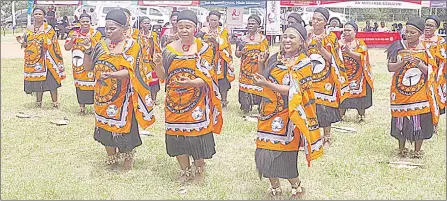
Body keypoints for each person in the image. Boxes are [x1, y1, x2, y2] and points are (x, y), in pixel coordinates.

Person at [253, 23, 322, 199]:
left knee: (285, 155)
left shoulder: (305, 62)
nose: (287, 40)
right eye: (285, 36)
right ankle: (274, 187)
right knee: (264, 151)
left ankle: (296, 186)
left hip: (290, 115)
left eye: (292, 37)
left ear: (301, 42)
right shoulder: (275, 59)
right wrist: (261, 65)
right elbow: (264, 80)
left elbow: (295, 89)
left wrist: (267, 84)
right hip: (269, 112)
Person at [153, 10, 223, 184]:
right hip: (174, 102)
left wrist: (191, 83)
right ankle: (184, 170)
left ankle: (199, 168)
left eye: (188, 27)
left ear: (195, 28)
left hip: (197, 101)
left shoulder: (204, 48)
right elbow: (162, 77)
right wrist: (158, 64)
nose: (184, 30)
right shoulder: (168, 49)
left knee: (196, 138)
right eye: (181, 27)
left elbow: (208, 77)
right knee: (176, 137)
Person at [82, 9, 156, 170]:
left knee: (124, 129)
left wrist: (112, 75)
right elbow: (88, 67)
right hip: (102, 95)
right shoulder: (101, 45)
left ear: (124, 29)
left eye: (112, 28)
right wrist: (87, 51)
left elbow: (131, 71)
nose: (108, 32)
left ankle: (128, 156)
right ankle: (111, 156)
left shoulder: (131, 46)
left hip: (123, 97)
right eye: (106, 28)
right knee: (104, 128)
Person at [385, 17, 439, 158]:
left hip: (419, 92)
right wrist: (402, 63)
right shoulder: (398, 46)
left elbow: (432, 71)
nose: (408, 35)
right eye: (407, 32)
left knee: (419, 118)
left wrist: (418, 64)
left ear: (420, 33)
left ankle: (417, 150)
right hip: (400, 90)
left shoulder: (427, 49)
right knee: (400, 118)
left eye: (412, 32)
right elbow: (390, 67)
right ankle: (401, 148)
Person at [306, 7, 348, 147]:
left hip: (325, 78)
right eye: (313, 19)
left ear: (326, 22)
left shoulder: (331, 38)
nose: (315, 22)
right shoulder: (306, 35)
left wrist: (320, 48)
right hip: (309, 77)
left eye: (319, 20)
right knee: (309, 106)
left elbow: (334, 59)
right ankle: (310, 136)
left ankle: (327, 137)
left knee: (325, 107)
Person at [16, 7, 65, 108]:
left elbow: (54, 44)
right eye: (36, 14)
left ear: (44, 16)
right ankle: (38, 102)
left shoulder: (48, 29)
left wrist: (45, 43)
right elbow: (26, 45)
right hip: (34, 60)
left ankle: (55, 103)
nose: (38, 16)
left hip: (47, 59)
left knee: (52, 81)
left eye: (40, 14)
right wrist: (22, 42)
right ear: (33, 15)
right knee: (37, 80)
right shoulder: (29, 29)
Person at [64, 13, 102, 113]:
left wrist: (89, 43)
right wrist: (72, 39)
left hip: (92, 63)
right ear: (79, 22)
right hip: (78, 64)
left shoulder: (96, 34)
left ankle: (96, 107)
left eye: (87, 21)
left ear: (90, 22)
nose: (85, 23)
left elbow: (100, 49)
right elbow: (67, 48)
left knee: (94, 84)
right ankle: (82, 107)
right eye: (83, 21)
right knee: (80, 85)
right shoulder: (73, 33)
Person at [196, 11, 234, 108]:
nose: (213, 22)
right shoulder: (203, 30)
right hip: (207, 59)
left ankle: (224, 100)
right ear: (208, 19)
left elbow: (225, 44)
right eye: (211, 20)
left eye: (215, 20)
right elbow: (198, 42)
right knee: (207, 78)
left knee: (222, 80)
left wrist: (215, 42)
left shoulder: (223, 30)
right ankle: (208, 98)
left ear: (218, 21)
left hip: (220, 59)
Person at [338, 21, 374, 122]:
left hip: (358, 75)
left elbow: (363, 57)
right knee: (343, 95)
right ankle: (340, 116)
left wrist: (350, 52)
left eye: (349, 30)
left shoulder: (360, 43)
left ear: (355, 32)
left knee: (361, 95)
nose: (346, 32)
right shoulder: (338, 43)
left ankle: (361, 115)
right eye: (344, 30)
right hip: (344, 76)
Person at [236, 14, 269, 114]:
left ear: (258, 25)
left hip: (258, 68)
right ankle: (246, 107)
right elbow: (237, 54)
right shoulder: (242, 39)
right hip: (245, 68)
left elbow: (266, 53)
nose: (250, 25)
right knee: (245, 87)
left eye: (253, 23)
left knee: (258, 86)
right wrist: (241, 53)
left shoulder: (262, 39)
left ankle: (259, 106)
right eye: (249, 23)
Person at [421, 15, 446, 133]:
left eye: (431, 25)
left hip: (435, 75)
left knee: (435, 98)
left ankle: (435, 124)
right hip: (419, 74)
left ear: (436, 27)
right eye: (426, 25)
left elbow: (443, 59)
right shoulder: (419, 39)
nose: (428, 27)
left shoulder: (440, 41)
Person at [135, 16, 162, 105]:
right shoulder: (137, 35)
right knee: (144, 80)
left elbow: (157, 46)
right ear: (140, 24)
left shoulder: (153, 34)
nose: (147, 25)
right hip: (142, 61)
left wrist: (151, 42)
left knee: (154, 81)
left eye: (148, 23)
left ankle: (154, 99)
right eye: (145, 23)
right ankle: (145, 98)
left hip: (151, 61)